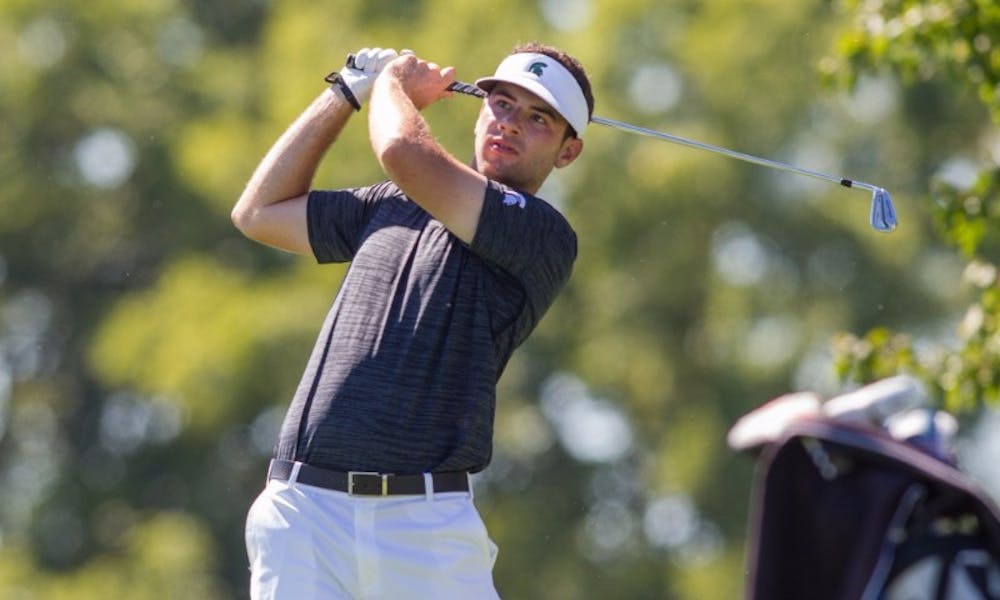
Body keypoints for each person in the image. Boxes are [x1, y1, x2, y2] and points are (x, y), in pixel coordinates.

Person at [232, 42, 594, 599]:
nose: (511, 125)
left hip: (425, 532)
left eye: (538, 118)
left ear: (568, 153)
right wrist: (345, 92)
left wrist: (392, 84)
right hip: (305, 516)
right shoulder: (390, 204)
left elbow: (402, 147)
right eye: (501, 103)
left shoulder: (543, 236)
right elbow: (258, 212)